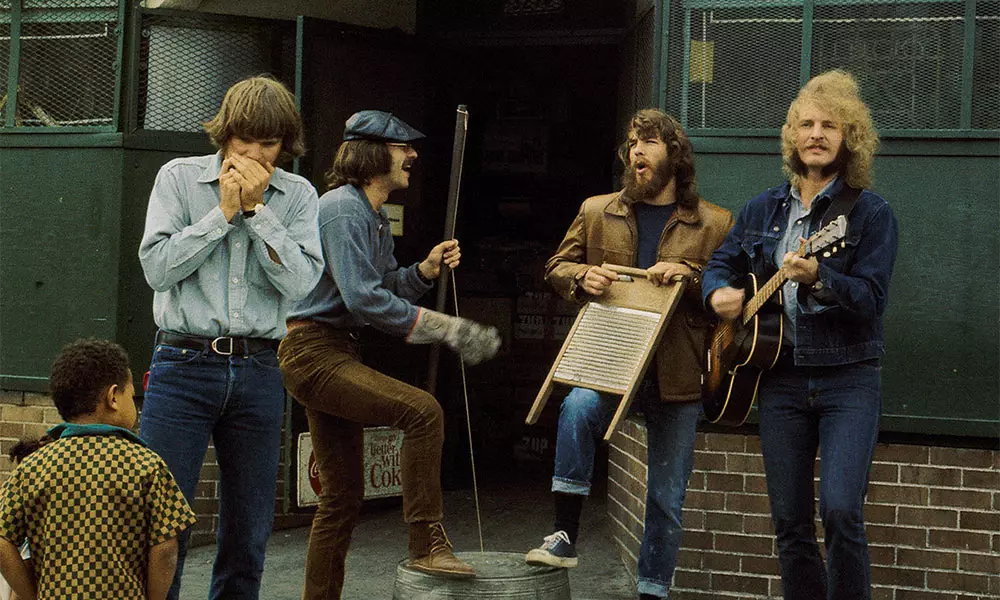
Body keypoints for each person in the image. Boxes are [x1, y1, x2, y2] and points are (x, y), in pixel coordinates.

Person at [278, 110, 501, 598]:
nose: (413, 155)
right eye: (403, 148)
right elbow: (363, 299)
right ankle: (427, 542)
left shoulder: (371, 214)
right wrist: (448, 329)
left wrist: (424, 269)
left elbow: (382, 287)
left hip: (333, 350)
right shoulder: (341, 208)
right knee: (423, 412)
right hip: (314, 352)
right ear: (373, 154)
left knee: (340, 499)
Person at [702, 70, 898, 600]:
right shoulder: (762, 208)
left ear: (849, 137)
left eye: (830, 125)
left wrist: (822, 278)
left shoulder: (870, 214)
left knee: (840, 510)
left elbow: (872, 300)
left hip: (847, 378)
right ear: (792, 136)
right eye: (806, 124)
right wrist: (718, 292)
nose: (816, 133)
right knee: (789, 523)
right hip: (779, 379)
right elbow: (719, 264)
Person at [525, 108, 734, 600]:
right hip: (611, 363)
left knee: (665, 499)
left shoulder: (714, 223)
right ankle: (563, 534)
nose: (637, 151)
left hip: (678, 374)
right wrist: (580, 277)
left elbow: (730, 296)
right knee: (576, 405)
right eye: (632, 143)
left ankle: (651, 592)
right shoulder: (599, 211)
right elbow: (557, 265)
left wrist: (691, 275)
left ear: (675, 157)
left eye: (650, 143)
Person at [137, 75, 324, 599]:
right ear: (225, 134)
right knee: (160, 524)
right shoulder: (178, 179)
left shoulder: (298, 195)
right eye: (245, 139)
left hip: (260, 367)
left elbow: (304, 283)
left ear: (285, 144)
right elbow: (157, 267)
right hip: (182, 362)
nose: (256, 153)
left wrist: (256, 213)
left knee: (248, 526)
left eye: (270, 143)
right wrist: (221, 214)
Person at [0, 339, 196, 600]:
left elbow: (3, 542)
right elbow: (166, 549)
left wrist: (30, 595)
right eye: (131, 393)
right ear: (113, 397)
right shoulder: (148, 466)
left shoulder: (34, 466)